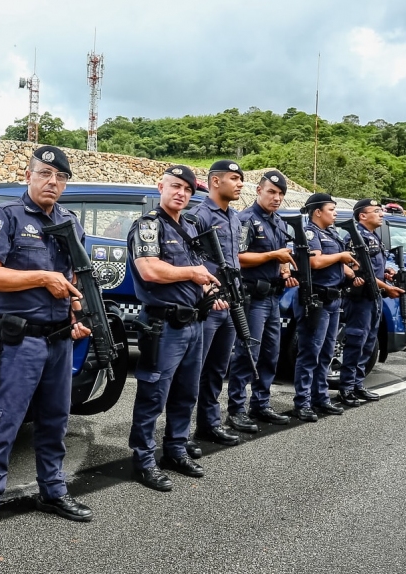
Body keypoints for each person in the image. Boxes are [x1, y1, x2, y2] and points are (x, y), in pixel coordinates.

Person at [0, 145, 93, 547]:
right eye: (44, 174)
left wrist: (78, 314)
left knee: (56, 421)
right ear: (29, 176)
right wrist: (42, 278)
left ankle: (53, 492)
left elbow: (74, 280)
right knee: (3, 421)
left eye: (59, 177)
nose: (52, 182)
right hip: (20, 341)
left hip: (58, 340)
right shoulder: (7, 216)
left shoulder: (71, 223)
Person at [127, 164, 219, 492]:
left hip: (194, 322)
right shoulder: (148, 226)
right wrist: (193, 274)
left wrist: (209, 290)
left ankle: (176, 450)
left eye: (188, 189)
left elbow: (202, 272)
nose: (181, 193)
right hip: (164, 325)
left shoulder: (191, 228)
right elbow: (150, 269)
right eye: (175, 186)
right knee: (154, 394)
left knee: (186, 393)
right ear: (160, 187)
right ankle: (143, 458)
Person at [226, 170, 297, 433]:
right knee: (248, 353)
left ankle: (261, 403)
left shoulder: (278, 222)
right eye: (271, 192)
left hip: (273, 297)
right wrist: (272, 256)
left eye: (280, 194)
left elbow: (279, 259)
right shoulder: (246, 219)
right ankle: (235, 409)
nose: (276, 198)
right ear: (258, 191)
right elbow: (238, 257)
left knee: (270, 353)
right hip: (252, 297)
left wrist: (285, 270)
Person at [186, 160, 244, 451]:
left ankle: (209, 424)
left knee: (218, 369)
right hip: (208, 303)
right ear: (215, 181)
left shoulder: (234, 218)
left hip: (231, 302)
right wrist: (208, 291)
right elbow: (191, 260)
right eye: (234, 178)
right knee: (194, 370)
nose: (240, 184)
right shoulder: (199, 215)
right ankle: (180, 434)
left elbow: (235, 259)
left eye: (241, 179)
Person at [293, 193, 359, 422]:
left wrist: (349, 270)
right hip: (317, 299)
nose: (335, 213)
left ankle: (320, 397)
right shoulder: (310, 232)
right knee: (310, 352)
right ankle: (302, 402)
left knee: (326, 353)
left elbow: (336, 264)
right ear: (317, 212)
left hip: (333, 300)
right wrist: (341, 256)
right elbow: (315, 262)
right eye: (331, 209)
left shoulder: (331, 233)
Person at [337, 199, 405, 407]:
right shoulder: (355, 237)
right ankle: (346, 387)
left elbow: (372, 267)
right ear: (362, 216)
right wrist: (386, 287)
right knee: (356, 341)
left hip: (373, 297)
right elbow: (359, 271)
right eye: (376, 211)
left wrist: (385, 273)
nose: (381, 214)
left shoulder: (373, 236)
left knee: (368, 342)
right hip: (360, 297)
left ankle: (357, 384)